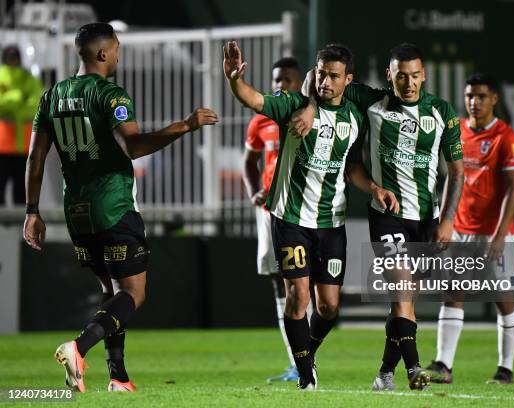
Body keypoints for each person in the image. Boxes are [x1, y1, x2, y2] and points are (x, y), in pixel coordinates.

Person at [23, 22, 218, 392]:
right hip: (112, 205)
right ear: (102, 53)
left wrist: (33, 210)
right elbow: (133, 147)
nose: (117, 55)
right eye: (115, 49)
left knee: (111, 292)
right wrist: (185, 125)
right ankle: (78, 348)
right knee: (134, 293)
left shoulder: (52, 97)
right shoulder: (110, 95)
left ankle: (119, 377)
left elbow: (35, 156)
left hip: (77, 210)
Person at [224, 40, 398, 390]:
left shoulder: (354, 113)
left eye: (333, 76)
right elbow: (255, 99)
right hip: (290, 218)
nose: (326, 81)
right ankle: (306, 378)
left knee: (329, 307)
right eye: (321, 74)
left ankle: (307, 353)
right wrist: (233, 80)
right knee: (298, 298)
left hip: (331, 222)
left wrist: (375, 188)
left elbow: (351, 165)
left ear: (348, 79)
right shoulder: (294, 105)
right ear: (313, 74)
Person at [291, 42, 465, 391]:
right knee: (401, 291)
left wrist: (447, 220)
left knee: (404, 305)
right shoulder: (370, 101)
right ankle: (415, 369)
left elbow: (458, 173)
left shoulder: (442, 112)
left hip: (426, 218)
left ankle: (385, 373)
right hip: (386, 215)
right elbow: (317, 76)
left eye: (415, 76)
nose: (409, 83)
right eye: (401, 76)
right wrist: (310, 106)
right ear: (390, 76)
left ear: (424, 75)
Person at [426, 73, 514, 385]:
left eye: (481, 96)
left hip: (495, 233)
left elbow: (513, 188)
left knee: (502, 299)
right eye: (469, 95)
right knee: (452, 294)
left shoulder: (505, 138)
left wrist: (499, 233)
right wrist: (445, 219)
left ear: (494, 99)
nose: (474, 102)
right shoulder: (459, 133)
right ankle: (443, 364)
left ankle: (505, 369)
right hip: (461, 229)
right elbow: (450, 180)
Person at [242, 57, 304, 383]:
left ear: (299, 83)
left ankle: (306, 354)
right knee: (278, 281)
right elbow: (249, 161)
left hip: (305, 212)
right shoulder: (262, 120)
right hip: (269, 212)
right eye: (277, 79)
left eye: (288, 80)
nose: (281, 85)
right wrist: (254, 190)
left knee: (307, 283)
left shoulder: (309, 116)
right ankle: (296, 360)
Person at [0, 45, 43, 204]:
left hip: (24, 146)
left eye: (15, 58)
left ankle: (22, 228)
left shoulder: (29, 79)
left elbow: (36, 104)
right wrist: (18, 98)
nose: (13, 61)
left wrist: (9, 104)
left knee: (22, 193)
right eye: (10, 58)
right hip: (3, 146)